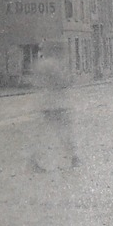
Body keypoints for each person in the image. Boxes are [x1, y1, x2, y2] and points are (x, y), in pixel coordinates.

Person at [28, 42, 79, 172]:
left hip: (46, 102)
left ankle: (34, 159)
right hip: (57, 103)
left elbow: (35, 81)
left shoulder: (41, 64)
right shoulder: (53, 64)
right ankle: (73, 157)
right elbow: (62, 81)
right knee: (64, 131)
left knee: (43, 133)